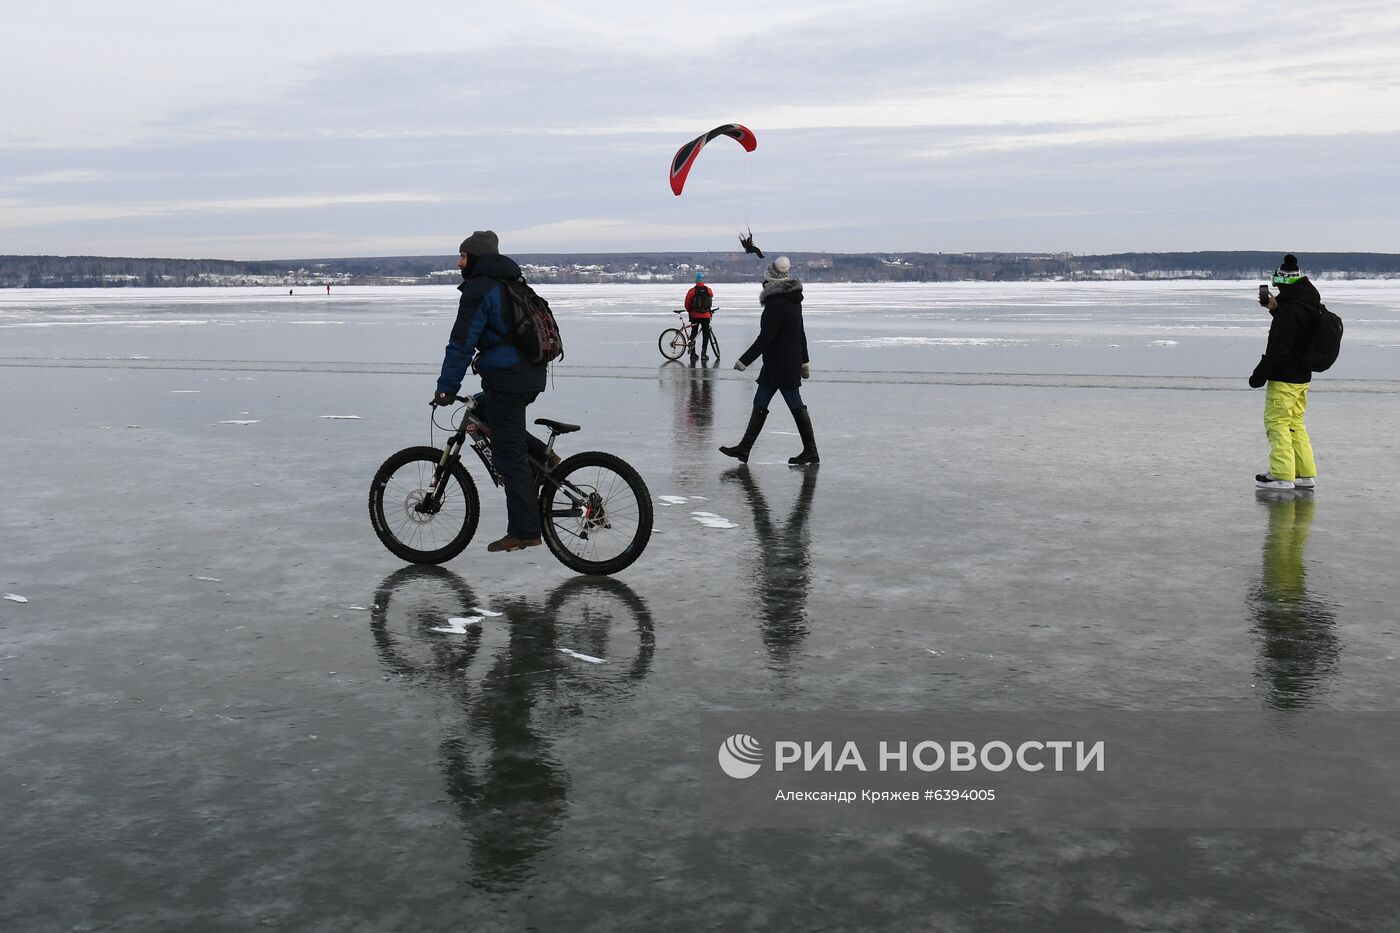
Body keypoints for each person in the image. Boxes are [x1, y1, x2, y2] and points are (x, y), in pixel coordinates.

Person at [433, 230, 548, 552]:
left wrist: (445, 388)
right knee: (484, 408)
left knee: (508, 456)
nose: (458, 263)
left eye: (463, 256)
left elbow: (461, 343)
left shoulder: (480, 289)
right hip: (529, 374)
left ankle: (525, 530)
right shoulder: (513, 283)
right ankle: (545, 458)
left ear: (476, 258)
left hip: (508, 378)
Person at [720, 256, 818, 465]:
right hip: (779, 363)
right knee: (761, 401)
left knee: (794, 403)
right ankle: (744, 449)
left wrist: (744, 361)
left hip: (781, 364)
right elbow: (800, 332)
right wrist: (804, 361)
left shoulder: (777, 303)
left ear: (771, 281)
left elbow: (766, 337)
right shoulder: (792, 299)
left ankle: (811, 451)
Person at [1249, 254, 1320, 491]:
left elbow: (1280, 346)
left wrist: (1259, 374)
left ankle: (1282, 475)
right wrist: (1275, 310)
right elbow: (1297, 333)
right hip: (1302, 376)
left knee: (1277, 422)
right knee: (1294, 423)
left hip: (1285, 377)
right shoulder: (1307, 301)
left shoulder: (1290, 310)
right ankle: (1303, 473)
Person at [683, 271, 717, 360]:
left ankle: (693, 354)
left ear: (696, 280)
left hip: (695, 315)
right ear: (703, 280)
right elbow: (711, 296)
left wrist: (691, 311)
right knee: (706, 334)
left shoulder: (692, 291)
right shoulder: (708, 290)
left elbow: (687, 303)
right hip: (706, 316)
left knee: (693, 333)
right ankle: (703, 354)